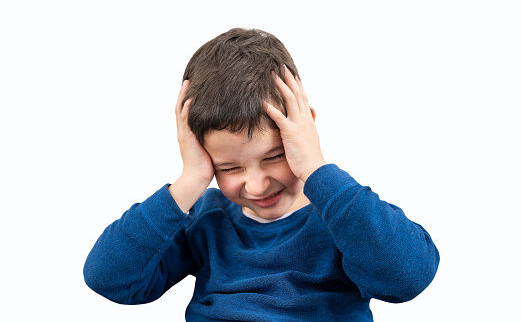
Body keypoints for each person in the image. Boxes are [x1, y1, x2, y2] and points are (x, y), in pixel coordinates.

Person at [84, 28, 440, 321]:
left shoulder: (343, 216)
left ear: (303, 131)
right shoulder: (207, 218)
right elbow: (110, 279)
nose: (256, 184)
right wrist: (189, 181)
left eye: (273, 157)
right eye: (228, 167)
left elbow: (407, 277)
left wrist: (316, 168)